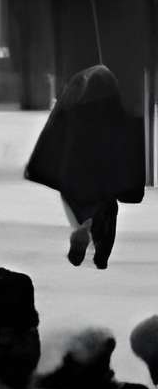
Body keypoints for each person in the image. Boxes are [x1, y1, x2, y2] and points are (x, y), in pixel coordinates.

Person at [33, 66, 150, 273]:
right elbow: (130, 144)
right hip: (107, 177)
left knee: (85, 209)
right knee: (108, 210)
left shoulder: (76, 108)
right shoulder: (118, 111)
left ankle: (83, 229)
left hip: (80, 176)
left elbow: (60, 136)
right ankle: (102, 251)